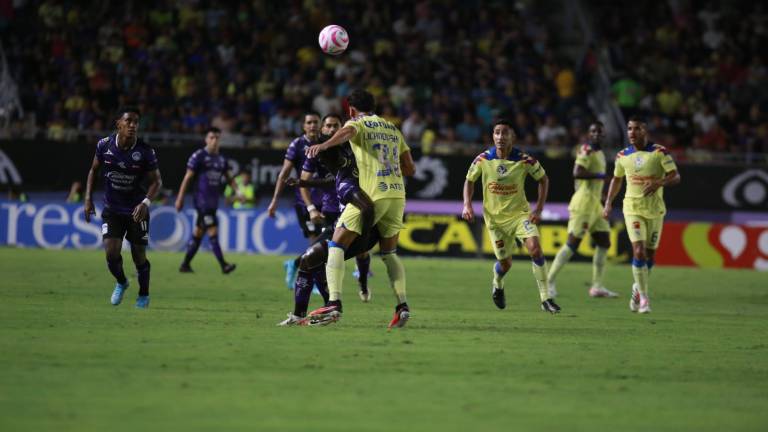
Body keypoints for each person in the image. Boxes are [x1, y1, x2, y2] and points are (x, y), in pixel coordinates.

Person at [305, 89, 416, 328]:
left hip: (374, 195)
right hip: (397, 195)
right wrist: (387, 166)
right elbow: (410, 168)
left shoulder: (359, 123)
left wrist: (324, 145)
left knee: (336, 244)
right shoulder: (392, 128)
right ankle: (402, 306)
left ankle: (333, 303)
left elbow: (348, 131)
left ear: (351, 110)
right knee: (389, 253)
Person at [461, 119, 561, 314]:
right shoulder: (483, 159)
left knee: (536, 249)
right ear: (493, 136)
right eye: (497, 132)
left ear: (512, 137)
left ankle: (545, 298)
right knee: (505, 264)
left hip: (520, 215)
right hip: (495, 221)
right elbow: (469, 180)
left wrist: (539, 209)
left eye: (505, 133)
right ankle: (497, 283)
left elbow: (543, 179)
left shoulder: (524, 160)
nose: (500, 137)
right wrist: (467, 204)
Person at [279, 143, 378, 326]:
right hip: (345, 226)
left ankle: (330, 307)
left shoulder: (348, 181)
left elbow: (367, 207)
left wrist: (364, 238)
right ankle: (322, 309)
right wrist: (303, 183)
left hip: (353, 231)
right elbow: (329, 181)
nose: (322, 166)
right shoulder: (344, 169)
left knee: (311, 258)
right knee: (312, 260)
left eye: (323, 161)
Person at [287, 113, 374, 300]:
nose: (332, 129)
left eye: (336, 126)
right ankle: (329, 299)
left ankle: (362, 284)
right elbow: (309, 180)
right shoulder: (315, 151)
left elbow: (332, 179)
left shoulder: (350, 146)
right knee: (323, 253)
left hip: (354, 204)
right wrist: (311, 207)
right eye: (328, 126)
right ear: (322, 129)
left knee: (360, 250)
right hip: (331, 208)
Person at [84, 106, 162, 309]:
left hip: (137, 210)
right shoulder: (104, 145)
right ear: (118, 123)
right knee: (111, 253)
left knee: (139, 256)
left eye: (136, 122)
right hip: (112, 208)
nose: (133, 125)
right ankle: (121, 282)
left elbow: (157, 182)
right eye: (128, 121)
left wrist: (145, 203)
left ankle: (143, 294)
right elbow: (93, 170)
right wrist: (87, 198)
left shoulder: (145, 151)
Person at [603, 116, 681, 314]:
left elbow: (675, 176)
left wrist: (658, 183)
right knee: (638, 252)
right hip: (632, 209)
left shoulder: (659, 152)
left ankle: (637, 287)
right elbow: (617, 179)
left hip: (655, 211)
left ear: (644, 131)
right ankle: (644, 299)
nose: (632, 132)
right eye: (629, 128)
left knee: (650, 255)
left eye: (636, 128)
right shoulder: (622, 155)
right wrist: (608, 202)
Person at [547, 121, 618, 298]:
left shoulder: (600, 154)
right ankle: (548, 282)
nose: (596, 134)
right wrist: (601, 176)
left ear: (604, 135)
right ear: (588, 134)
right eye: (593, 131)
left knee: (604, 242)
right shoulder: (586, 149)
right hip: (583, 203)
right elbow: (577, 172)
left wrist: (601, 194)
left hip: (595, 204)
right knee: (573, 243)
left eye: (599, 132)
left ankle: (597, 286)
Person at [267, 112, 321, 287]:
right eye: (309, 122)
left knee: (324, 243)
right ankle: (312, 281)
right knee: (315, 242)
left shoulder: (326, 143)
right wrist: (275, 200)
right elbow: (284, 174)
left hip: (326, 201)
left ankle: (295, 264)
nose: (313, 125)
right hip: (304, 202)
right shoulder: (297, 145)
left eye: (315, 122)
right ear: (304, 126)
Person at [175, 127, 238, 274]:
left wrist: (238, 192)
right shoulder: (199, 156)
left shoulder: (221, 159)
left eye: (217, 138)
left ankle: (185, 265)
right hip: (202, 202)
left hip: (213, 203)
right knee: (212, 231)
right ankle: (224, 265)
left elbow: (229, 178)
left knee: (198, 233)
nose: (214, 141)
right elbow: (187, 178)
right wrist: (180, 198)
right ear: (206, 139)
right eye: (211, 137)